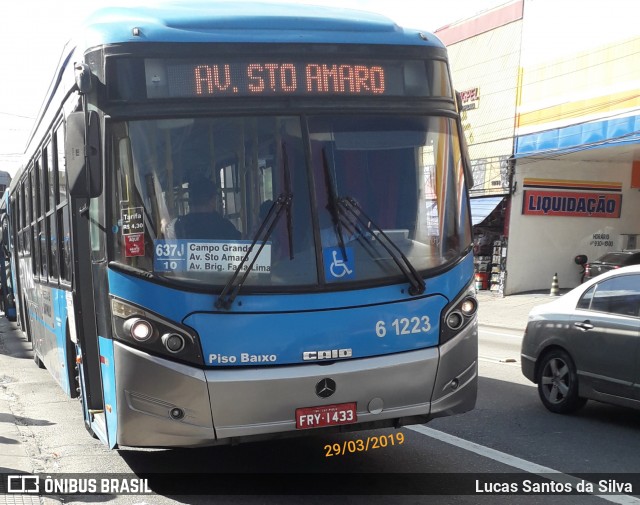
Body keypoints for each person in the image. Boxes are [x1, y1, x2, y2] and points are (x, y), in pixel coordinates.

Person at [172, 177, 241, 240]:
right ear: (212, 200)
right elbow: (240, 247)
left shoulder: (180, 226)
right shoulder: (224, 226)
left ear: (191, 200)